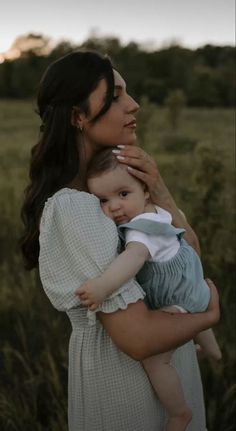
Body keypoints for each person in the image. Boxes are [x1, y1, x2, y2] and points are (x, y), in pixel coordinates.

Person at [20, 50, 220, 431]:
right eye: (115, 96)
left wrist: (158, 190)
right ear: (79, 116)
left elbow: (186, 261)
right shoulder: (75, 208)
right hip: (126, 389)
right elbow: (140, 338)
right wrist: (208, 317)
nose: (135, 104)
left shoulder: (120, 188)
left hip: (168, 369)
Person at [76, 148, 222, 431]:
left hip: (178, 296)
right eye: (103, 200)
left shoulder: (139, 232)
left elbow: (132, 259)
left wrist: (102, 287)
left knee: (155, 361)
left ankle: (179, 413)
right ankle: (213, 350)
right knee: (199, 309)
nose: (114, 207)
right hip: (194, 287)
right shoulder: (159, 213)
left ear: (145, 191)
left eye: (123, 194)